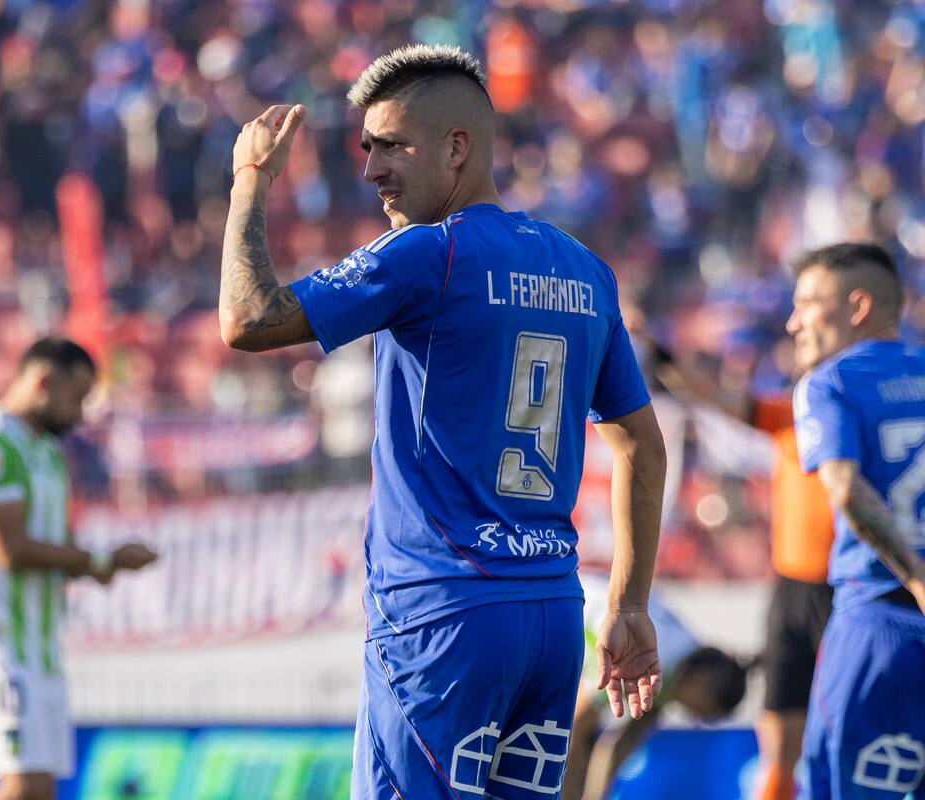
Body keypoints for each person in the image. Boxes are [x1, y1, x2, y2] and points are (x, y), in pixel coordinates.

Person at [218, 45, 668, 799]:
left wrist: (248, 180)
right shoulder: (584, 270)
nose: (371, 170)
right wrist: (628, 605)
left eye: (392, 145)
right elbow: (641, 447)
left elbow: (247, 317)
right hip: (553, 617)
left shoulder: (428, 254)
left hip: (442, 614)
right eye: (367, 148)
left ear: (458, 146)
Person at [0, 337, 157, 800]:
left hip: (40, 649)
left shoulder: (48, 453)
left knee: (38, 792)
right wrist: (100, 561)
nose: (79, 414)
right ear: (43, 382)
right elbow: (11, 550)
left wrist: (96, 566)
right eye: (76, 398)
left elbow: (53, 548)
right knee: (25, 789)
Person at [643, 338, 834, 800]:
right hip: (791, 592)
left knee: (838, 721)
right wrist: (661, 356)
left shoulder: (853, 421)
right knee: (779, 728)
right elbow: (714, 398)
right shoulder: (789, 417)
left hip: (844, 592)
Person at [788, 242, 925, 799]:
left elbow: (845, 488)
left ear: (858, 305)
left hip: (880, 625)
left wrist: (916, 577)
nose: (793, 321)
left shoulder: (829, 383)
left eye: (807, 303)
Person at [562, 572, 748, 800]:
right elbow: (577, 727)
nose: (696, 718)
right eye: (704, 712)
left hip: (587, 613)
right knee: (575, 734)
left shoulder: (681, 671)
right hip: (568, 611)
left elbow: (620, 744)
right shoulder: (654, 658)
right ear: (702, 679)